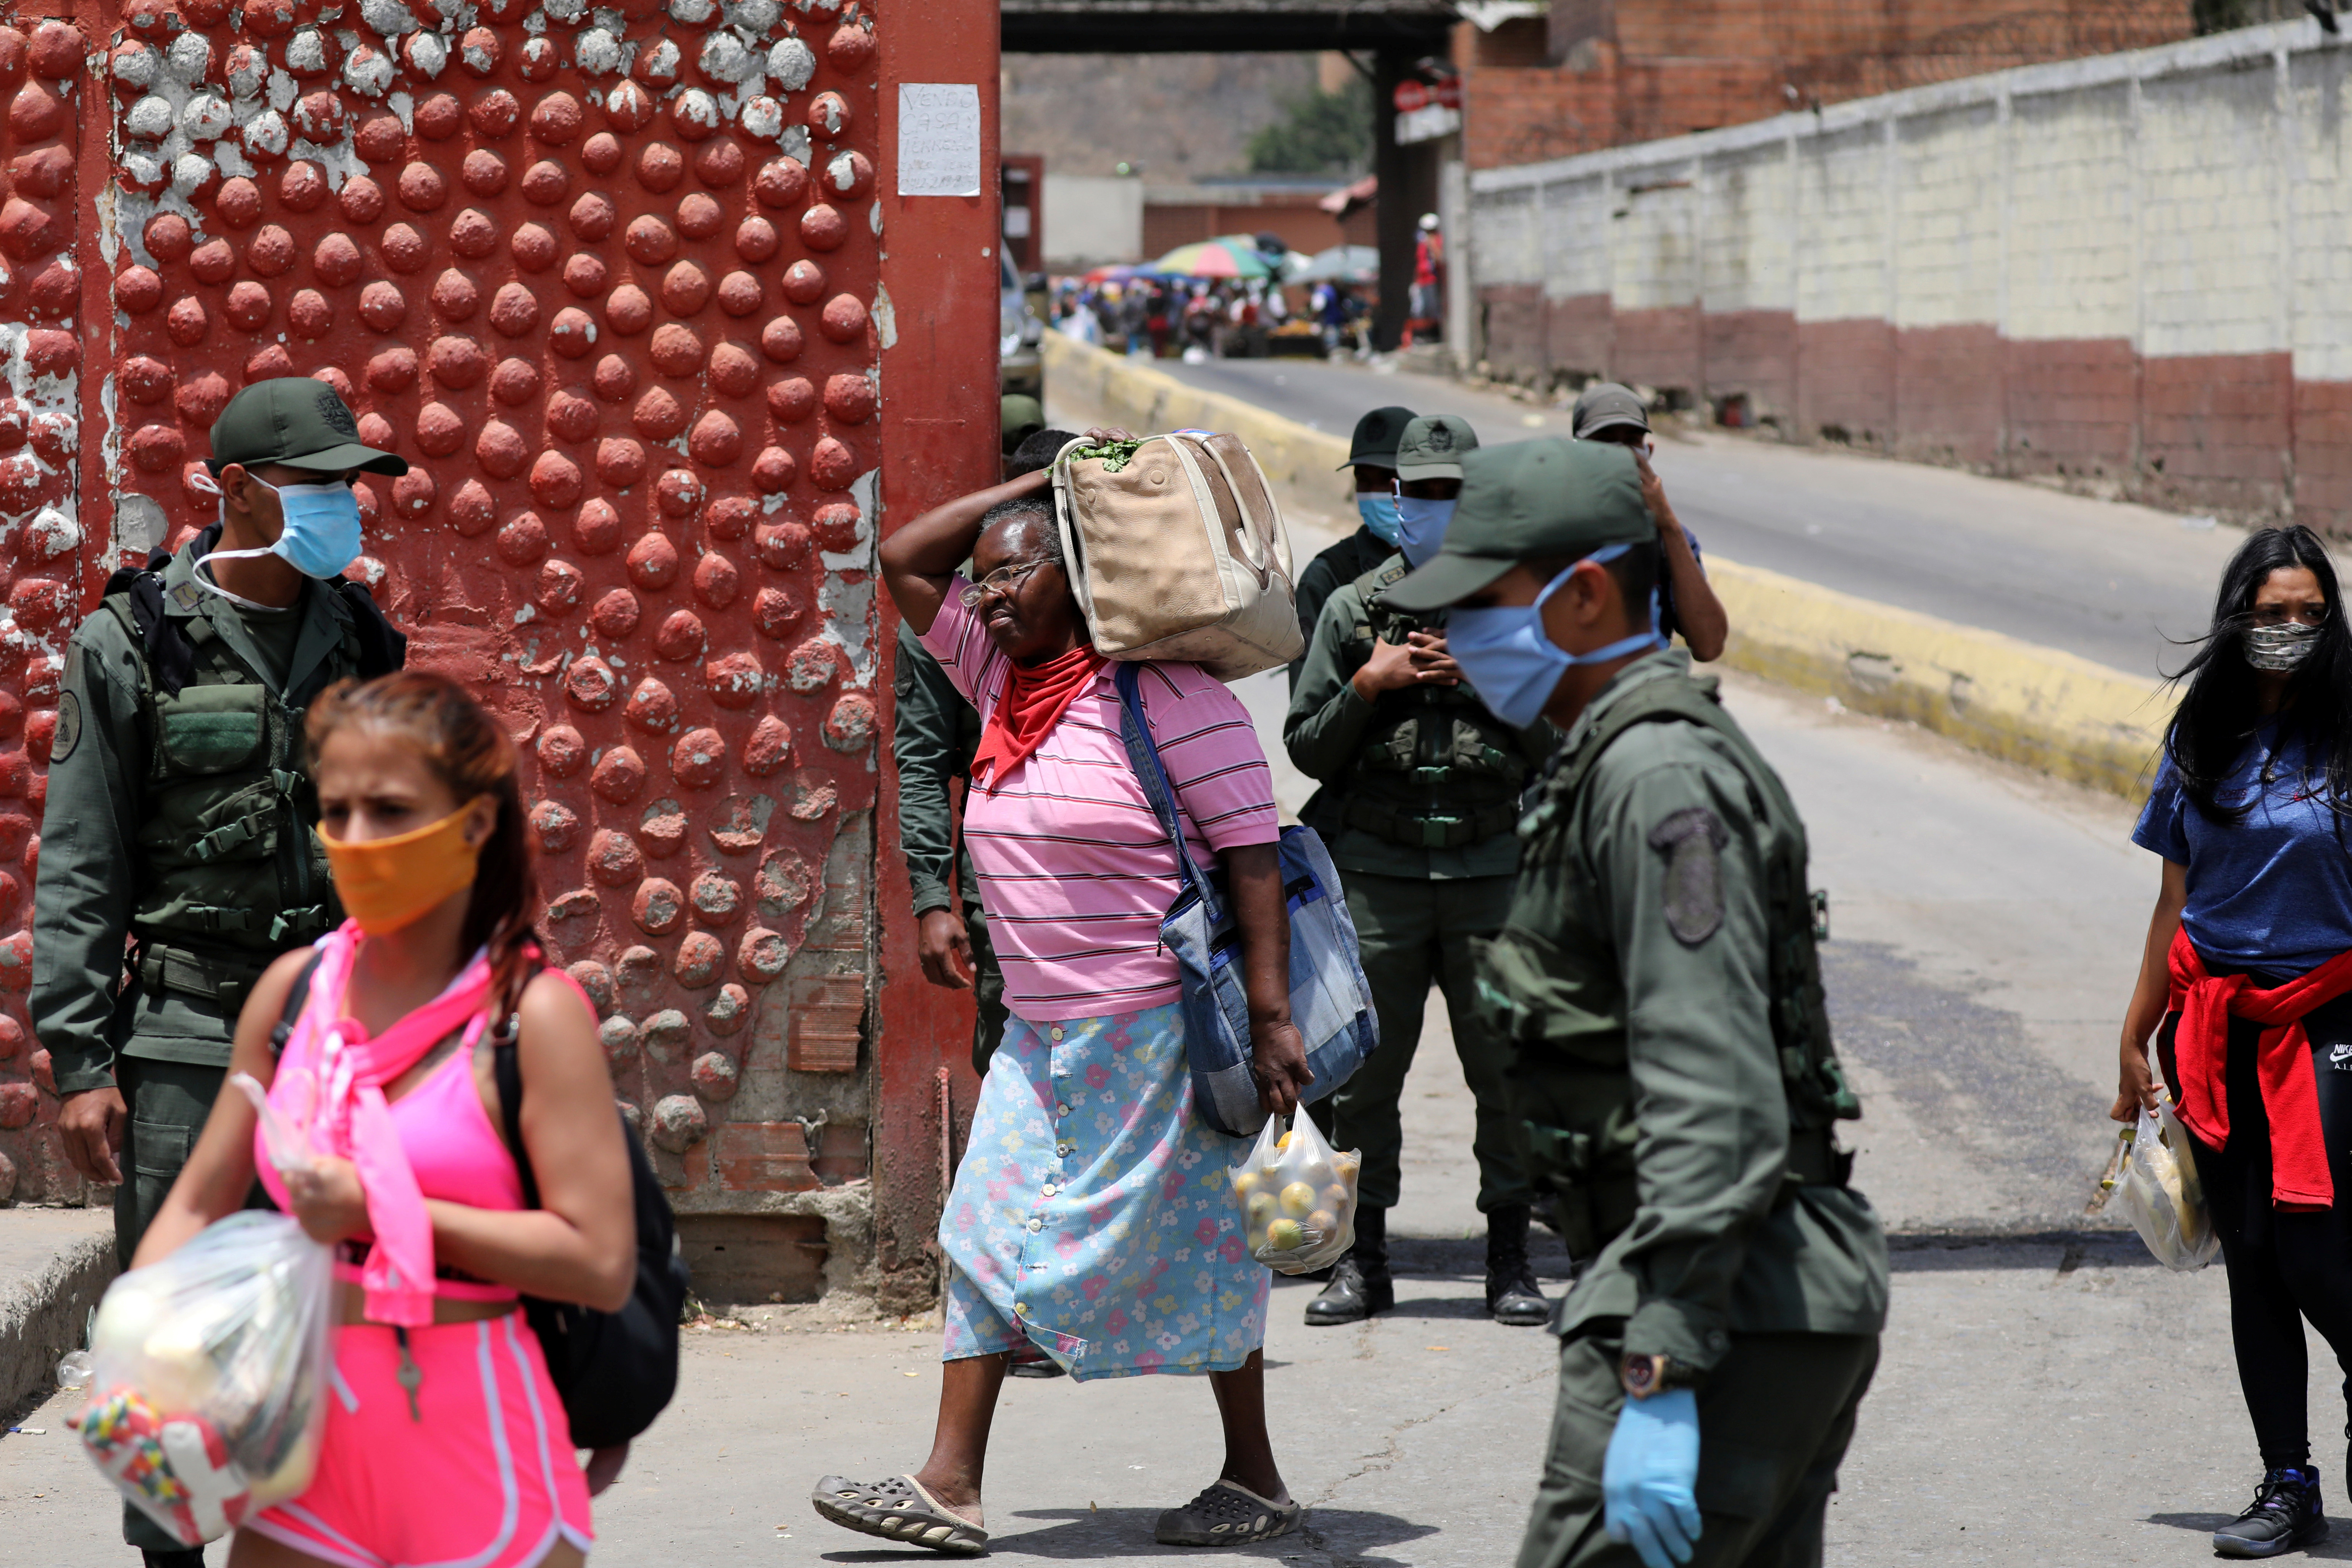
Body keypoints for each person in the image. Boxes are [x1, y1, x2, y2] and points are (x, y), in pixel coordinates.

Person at [1381, 437, 1888, 1568]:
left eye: (1483, 603)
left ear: (1586, 595)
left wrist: (1657, 1364)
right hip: (1722, 1285)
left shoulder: (1655, 777)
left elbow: (1714, 1090)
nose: (1459, 633)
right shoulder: (1599, 757)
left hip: (1715, 1295)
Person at [815, 430, 1313, 1554]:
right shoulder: (997, 679)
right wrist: (1042, 487)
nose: (985, 593)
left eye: (1014, 571)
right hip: (1042, 1036)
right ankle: (950, 1485)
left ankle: (1250, 1476)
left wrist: (1273, 1018)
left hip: (1155, 1032)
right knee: (988, 1229)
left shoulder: (1170, 699)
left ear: (1079, 577)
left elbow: (1249, 860)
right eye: (980, 577)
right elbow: (901, 559)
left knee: (1207, 1242)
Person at [130, 670, 637, 1568]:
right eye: (338, 810)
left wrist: (378, 1209)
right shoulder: (292, 994)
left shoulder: (535, 1015)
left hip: (481, 1453)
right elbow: (199, 1201)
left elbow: (598, 1263)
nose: (356, 839)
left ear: (476, 821)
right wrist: (139, 1350)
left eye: (393, 810)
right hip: (302, 1463)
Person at [32, 378, 410, 1568]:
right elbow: (83, 856)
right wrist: (83, 1056)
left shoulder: (360, 636)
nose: (347, 507)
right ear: (239, 489)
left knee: (341, 1329)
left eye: (355, 486)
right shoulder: (130, 639)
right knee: (181, 1343)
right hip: (191, 1033)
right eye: (321, 486)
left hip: (341, 1037)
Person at [2114, 525, 2352, 1559]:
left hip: (2331, 1017)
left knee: (2313, 1251)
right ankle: (2286, 1483)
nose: (2290, 631)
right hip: (2213, 1024)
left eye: (2309, 613)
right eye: (2271, 613)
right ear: (2237, 618)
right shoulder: (2200, 738)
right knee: (2250, 1261)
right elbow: (2175, 899)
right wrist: (2134, 1035)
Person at [1284, 415, 1552, 1327]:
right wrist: (1371, 684)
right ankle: (1362, 1261)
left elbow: (1564, 743)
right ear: (1397, 499)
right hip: (1380, 874)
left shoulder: (1521, 609)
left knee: (1506, 1074)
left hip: (1491, 874)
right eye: (1420, 492)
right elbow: (1308, 750)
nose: (1435, 508)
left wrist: (1481, 676)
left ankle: (1510, 1260)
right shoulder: (1352, 608)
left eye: (1454, 493)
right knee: (1363, 1083)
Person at [893, 425, 1075, 1256]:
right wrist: (934, 896)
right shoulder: (965, 620)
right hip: (1002, 892)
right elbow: (924, 761)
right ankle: (1015, 1273)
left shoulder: (1124, 611)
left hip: (1124, 898)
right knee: (1017, 1084)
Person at [1570, 383, 1728, 662]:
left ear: (1648, 452)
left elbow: (1709, 646)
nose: (1621, 453)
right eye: (1604, 440)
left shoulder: (1667, 540)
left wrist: (1667, 524)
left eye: (1632, 440)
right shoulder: (1548, 526)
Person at [1289, 405, 1418, 689]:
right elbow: (1307, 721)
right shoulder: (1327, 578)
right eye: (1364, 482)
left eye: (1389, 480)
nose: (1375, 494)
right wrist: (1369, 685)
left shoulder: (1458, 568)